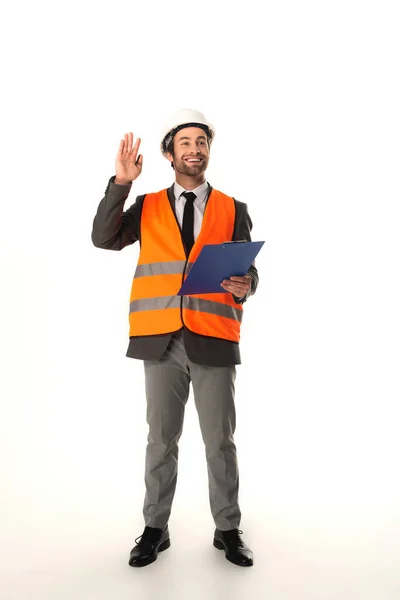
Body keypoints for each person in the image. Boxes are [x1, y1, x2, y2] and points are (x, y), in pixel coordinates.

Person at [91, 109, 259, 568]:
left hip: (213, 338)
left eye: (201, 142)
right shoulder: (145, 206)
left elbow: (246, 269)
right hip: (160, 338)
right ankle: (154, 528)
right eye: (185, 142)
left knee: (219, 440)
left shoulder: (233, 208)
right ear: (170, 153)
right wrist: (121, 183)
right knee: (160, 439)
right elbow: (103, 238)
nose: (194, 149)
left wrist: (249, 283)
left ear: (208, 151)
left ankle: (227, 529)